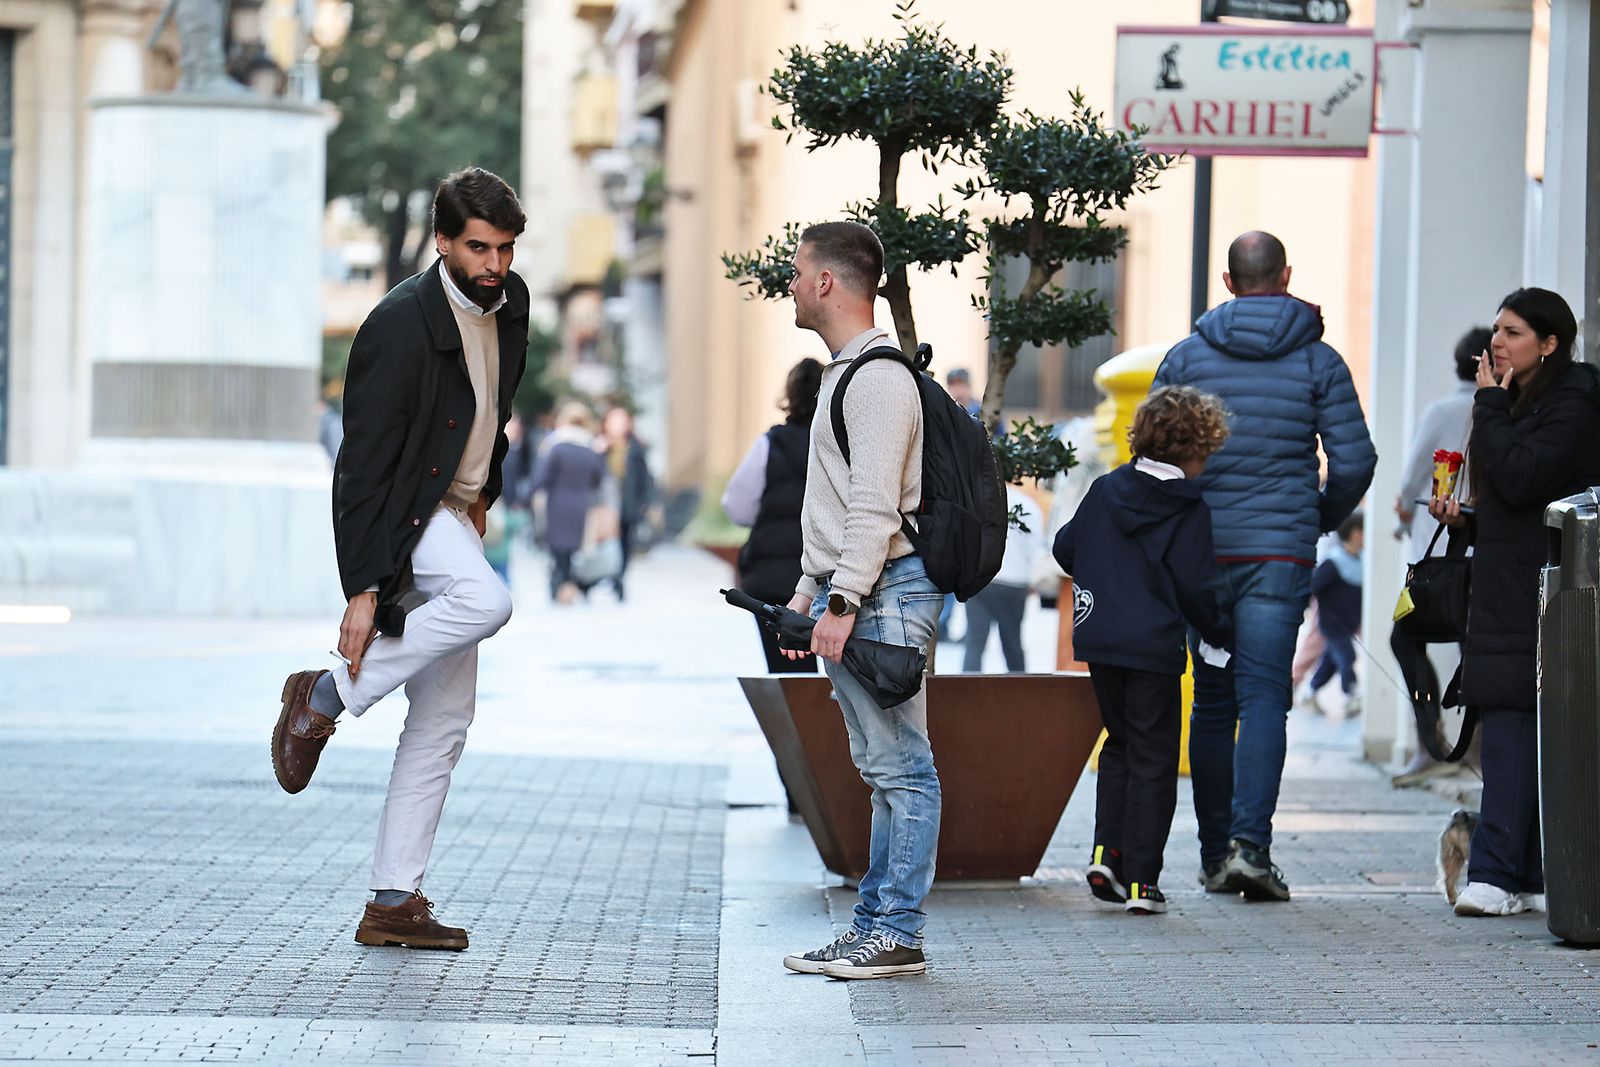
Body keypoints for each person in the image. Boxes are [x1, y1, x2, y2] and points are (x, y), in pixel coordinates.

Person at [270, 167, 528, 950]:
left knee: (446, 716)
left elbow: (494, 411)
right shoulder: (398, 322)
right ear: (443, 240)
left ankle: (392, 898)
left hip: (457, 510)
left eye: (506, 249)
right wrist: (365, 588)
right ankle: (325, 690)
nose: (494, 265)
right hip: (410, 511)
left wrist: (487, 491)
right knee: (488, 601)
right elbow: (363, 466)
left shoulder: (509, 311)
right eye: (478, 247)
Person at [1152, 230, 1376, 902]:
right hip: (1277, 557)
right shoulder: (1319, 361)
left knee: (1213, 698)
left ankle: (1215, 852)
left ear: (1228, 281)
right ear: (1285, 277)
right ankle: (1252, 847)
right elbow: (1356, 460)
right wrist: (1315, 518)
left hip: (1201, 553)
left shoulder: (1186, 356)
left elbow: (1152, 456)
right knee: (1265, 697)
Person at [776, 221, 939, 981]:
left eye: (798, 271)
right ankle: (874, 925)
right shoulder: (848, 373)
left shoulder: (876, 377)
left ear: (828, 283)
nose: (792, 283)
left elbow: (874, 507)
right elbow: (837, 502)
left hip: (883, 593)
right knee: (881, 768)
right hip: (856, 591)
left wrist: (840, 601)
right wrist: (809, 594)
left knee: (904, 768)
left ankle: (897, 929)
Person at [1430, 288, 1600, 918]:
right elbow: (1512, 494)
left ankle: (1495, 874)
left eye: (1513, 333)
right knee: (1514, 728)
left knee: (1513, 730)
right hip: (1508, 585)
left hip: (1548, 593)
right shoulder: (1523, 400)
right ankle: (1523, 874)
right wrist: (1464, 518)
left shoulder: (1575, 399)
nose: (1496, 342)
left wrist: (1489, 405)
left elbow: (1526, 476)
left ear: (1550, 344)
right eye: (1496, 330)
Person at [1054, 386, 1233, 915]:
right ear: (1197, 449)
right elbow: (1199, 586)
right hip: (1153, 648)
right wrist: (1222, 632)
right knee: (1154, 755)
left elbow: (1066, 548)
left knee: (1120, 745)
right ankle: (1142, 881)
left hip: (1101, 641)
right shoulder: (1189, 507)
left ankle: (1106, 854)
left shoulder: (1107, 491)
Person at [1390, 327, 1489, 785]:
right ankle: (1477, 747)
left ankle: (1429, 740)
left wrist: (1405, 508)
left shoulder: (1443, 409)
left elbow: (1411, 478)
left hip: (1437, 560)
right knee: (1478, 643)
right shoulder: (1509, 410)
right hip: (1486, 553)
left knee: (1406, 638)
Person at [722, 357, 824, 674]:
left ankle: (796, 721)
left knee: (786, 670)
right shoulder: (840, 443)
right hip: (828, 573)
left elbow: (736, 505)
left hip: (773, 576)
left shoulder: (772, 443)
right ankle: (823, 721)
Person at [961, 484, 1043, 672]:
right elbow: (1035, 548)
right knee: (1012, 642)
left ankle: (967, 691)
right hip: (1014, 582)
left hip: (980, 580)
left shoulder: (978, 502)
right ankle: (1019, 690)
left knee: (974, 642)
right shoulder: (1028, 506)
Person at [530, 401, 606, 603]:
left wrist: (527, 496)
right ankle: (569, 584)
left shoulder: (555, 446)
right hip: (581, 504)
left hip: (557, 503)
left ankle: (561, 586)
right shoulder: (590, 449)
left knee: (558, 549)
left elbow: (541, 477)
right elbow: (598, 479)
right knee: (573, 548)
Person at [1307, 512, 1364, 717]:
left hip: (1349, 624)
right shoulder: (1333, 561)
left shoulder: (1363, 561)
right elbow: (1313, 586)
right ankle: (1351, 694)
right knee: (1347, 655)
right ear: (1355, 533)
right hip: (1332, 624)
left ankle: (1309, 692)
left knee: (1330, 662)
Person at [598, 405, 655, 601]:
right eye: (614, 421)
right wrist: (598, 452)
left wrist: (646, 502)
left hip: (627, 503)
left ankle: (619, 578)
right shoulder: (600, 445)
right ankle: (600, 576)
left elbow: (645, 476)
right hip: (604, 505)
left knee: (625, 543)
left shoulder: (635, 446)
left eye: (622, 421)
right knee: (604, 543)